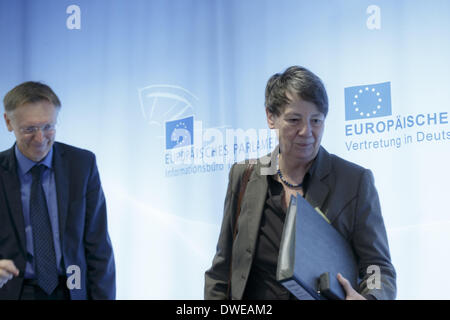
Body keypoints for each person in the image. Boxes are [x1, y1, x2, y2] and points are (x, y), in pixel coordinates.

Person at [204, 66, 396, 300]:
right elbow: (223, 267)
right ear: (270, 117)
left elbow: (377, 266)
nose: (307, 132)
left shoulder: (354, 181)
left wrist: (371, 297)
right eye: (294, 120)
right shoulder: (244, 176)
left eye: (316, 121)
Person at [0, 81, 115, 300]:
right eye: (29, 129)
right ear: (8, 122)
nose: (41, 139)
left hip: (71, 290)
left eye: (48, 127)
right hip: (14, 292)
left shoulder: (82, 165)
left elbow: (98, 247)